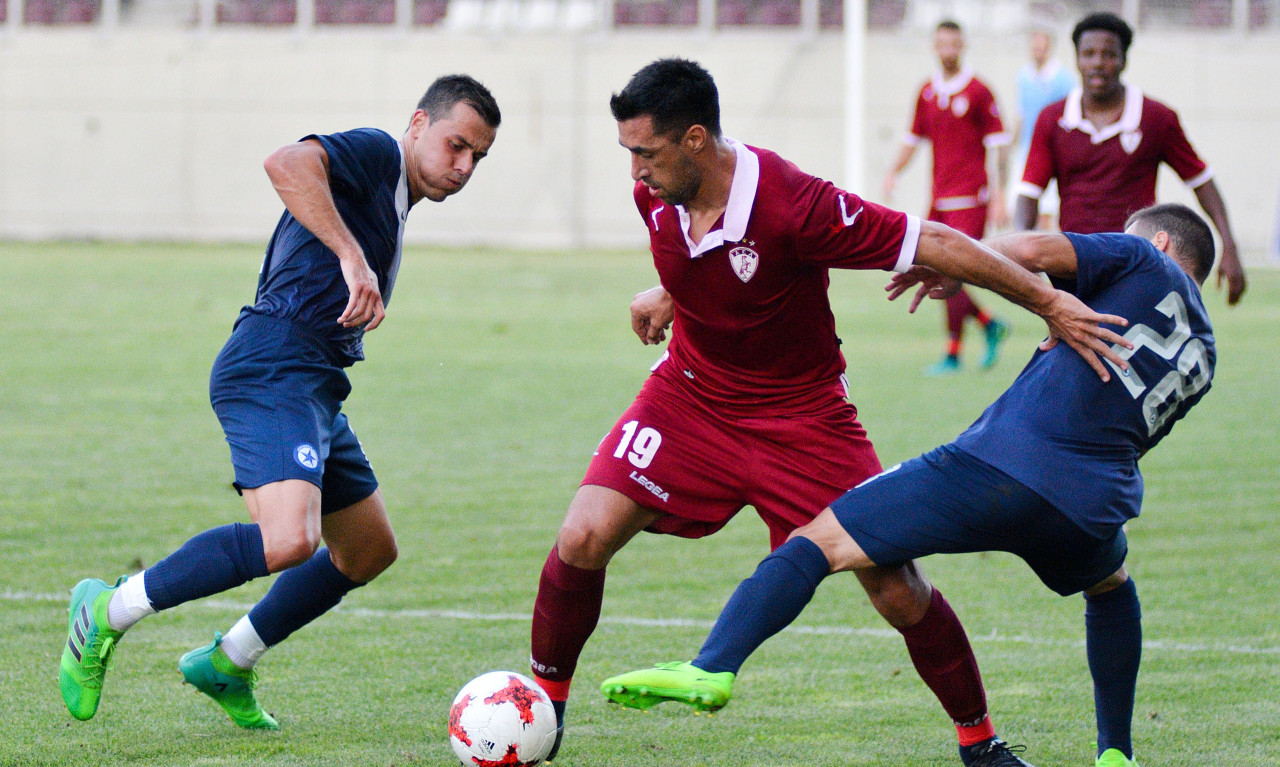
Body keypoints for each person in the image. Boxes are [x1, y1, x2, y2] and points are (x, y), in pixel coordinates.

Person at [531, 57, 1130, 767]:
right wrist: (670, 292)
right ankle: (542, 715)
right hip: (690, 395)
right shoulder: (657, 192)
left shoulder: (791, 202)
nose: (635, 172)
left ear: (696, 139)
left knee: (896, 587)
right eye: (627, 153)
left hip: (803, 418)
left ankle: (981, 743)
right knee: (582, 535)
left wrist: (1050, 300)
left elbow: (934, 241)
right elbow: (699, 254)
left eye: (646, 153)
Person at [601, 203, 1215, 767]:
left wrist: (957, 266)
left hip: (1000, 468)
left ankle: (713, 666)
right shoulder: (1205, 353)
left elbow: (1031, 251)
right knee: (1110, 588)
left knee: (821, 539)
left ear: (1159, 241)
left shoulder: (1141, 257)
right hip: (1093, 505)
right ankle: (1117, 755)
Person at [58, 75, 501, 729]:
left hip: (317, 383)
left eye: (478, 158)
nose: (463, 167)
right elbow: (286, 163)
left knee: (368, 549)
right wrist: (351, 255)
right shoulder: (380, 153)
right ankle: (107, 609)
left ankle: (230, 659)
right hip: (274, 363)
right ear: (417, 124)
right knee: (291, 537)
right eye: (456, 145)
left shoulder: (397, 196)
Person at [1015, 12, 1247, 305]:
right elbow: (1028, 194)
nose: (1098, 62)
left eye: (1109, 54)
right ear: (1076, 59)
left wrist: (1230, 246)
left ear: (1124, 60)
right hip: (1073, 262)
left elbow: (1201, 181)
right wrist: (1021, 253)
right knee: (1072, 348)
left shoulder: (1156, 118)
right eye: (1089, 54)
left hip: (1137, 260)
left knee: (1132, 347)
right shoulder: (1052, 119)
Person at [882, 19, 1012, 375]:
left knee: (952, 271)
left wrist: (1000, 195)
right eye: (942, 44)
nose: (948, 50)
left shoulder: (979, 91)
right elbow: (913, 138)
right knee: (932, 269)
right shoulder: (926, 91)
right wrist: (894, 171)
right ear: (934, 47)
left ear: (963, 45)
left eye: (953, 44)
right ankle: (987, 324)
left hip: (972, 199)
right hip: (939, 200)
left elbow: (1000, 146)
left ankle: (954, 353)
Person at [1010, 27, 1075, 231]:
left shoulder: (1063, 79)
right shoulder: (1024, 76)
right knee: (1021, 206)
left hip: (1052, 152)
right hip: (1026, 150)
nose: (1037, 51)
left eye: (1042, 47)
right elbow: (1021, 113)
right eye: (1035, 47)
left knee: (1046, 211)